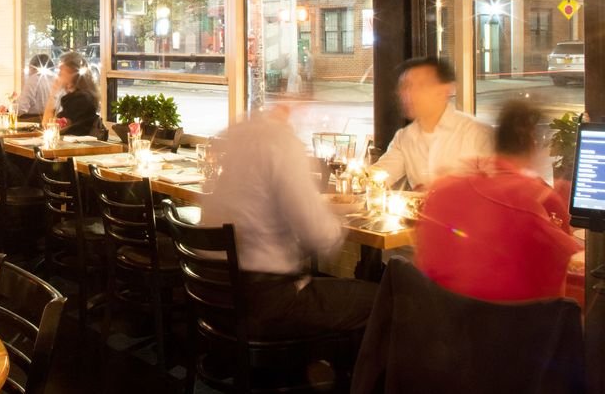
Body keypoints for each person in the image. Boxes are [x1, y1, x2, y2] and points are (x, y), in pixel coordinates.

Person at [197, 104, 376, 339]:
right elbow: (318, 232)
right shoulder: (281, 144)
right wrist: (336, 222)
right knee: (382, 299)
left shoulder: (238, 137)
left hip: (210, 293)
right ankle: (330, 369)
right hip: (262, 302)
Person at [416, 100, 582, 302]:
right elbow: (570, 269)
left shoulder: (442, 191)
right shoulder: (536, 201)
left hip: (439, 325)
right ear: (533, 143)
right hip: (512, 329)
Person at [372, 57, 493, 190]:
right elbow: (380, 176)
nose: (408, 94)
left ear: (445, 90)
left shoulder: (478, 134)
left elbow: (500, 190)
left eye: (420, 85)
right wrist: (355, 178)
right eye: (405, 86)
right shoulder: (404, 137)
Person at [42, 51, 100, 137]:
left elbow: (48, 126)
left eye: (61, 70)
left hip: (75, 147)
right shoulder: (82, 95)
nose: (58, 74)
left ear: (73, 72)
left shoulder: (80, 99)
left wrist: (53, 92)